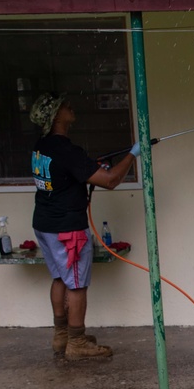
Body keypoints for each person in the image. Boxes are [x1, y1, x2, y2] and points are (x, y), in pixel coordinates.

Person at [30, 92, 139, 360]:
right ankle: (77, 343)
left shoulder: (41, 147)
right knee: (76, 285)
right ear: (56, 116)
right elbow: (111, 180)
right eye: (65, 106)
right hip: (68, 230)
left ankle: (62, 336)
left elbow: (62, 175)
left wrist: (89, 168)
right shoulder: (68, 151)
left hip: (44, 224)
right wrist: (132, 155)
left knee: (59, 279)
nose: (71, 107)